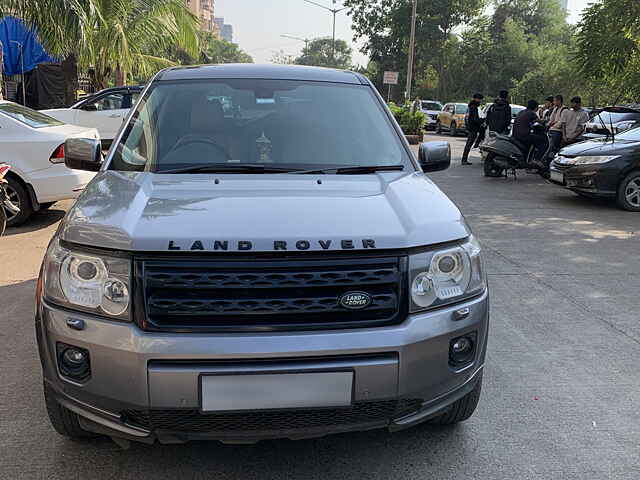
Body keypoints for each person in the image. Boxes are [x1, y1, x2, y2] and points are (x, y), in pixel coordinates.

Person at [512, 100, 547, 165]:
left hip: (515, 135)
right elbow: (541, 122)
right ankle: (537, 159)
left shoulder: (521, 112)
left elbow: (527, 123)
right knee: (543, 141)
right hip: (524, 136)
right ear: (535, 107)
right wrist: (546, 121)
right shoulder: (531, 113)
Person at [461, 93, 484, 165]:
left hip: (472, 127)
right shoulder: (473, 107)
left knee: (469, 143)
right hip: (473, 128)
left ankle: (464, 159)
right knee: (469, 144)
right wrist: (482, 120)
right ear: (476, 99)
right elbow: (475, 119)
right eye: (479, 99)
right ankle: (464, 160)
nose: (480, 101)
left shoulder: (472, 106)